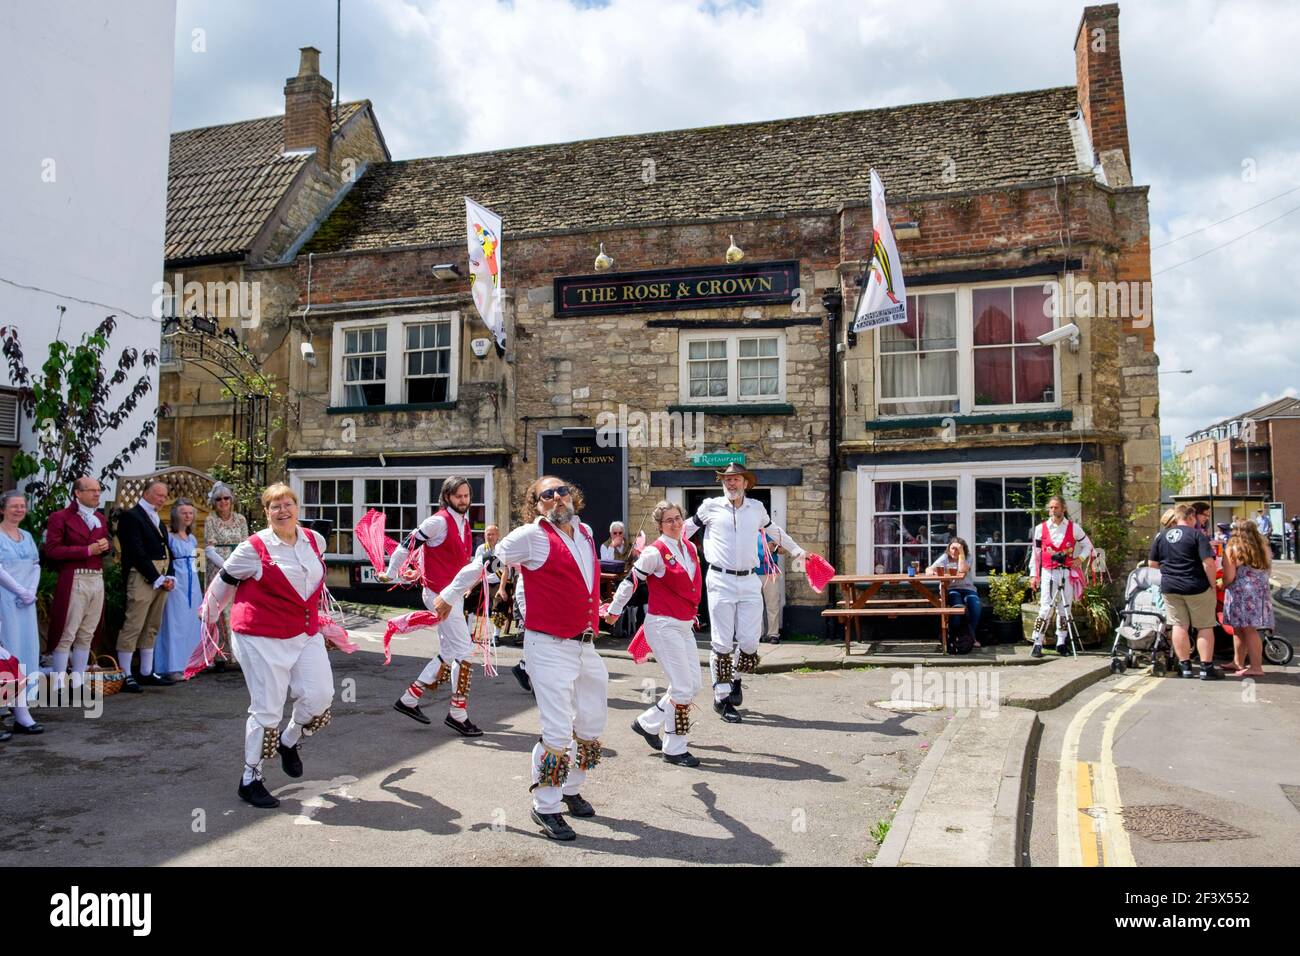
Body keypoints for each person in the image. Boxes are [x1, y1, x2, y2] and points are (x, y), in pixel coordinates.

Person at [441, 476, 606, 842]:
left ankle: (570, 787)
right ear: (536, 505)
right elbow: (487, 560)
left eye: (562, 491)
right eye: (546, 495)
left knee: (592, 724)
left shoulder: (587, 531)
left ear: (571, 495)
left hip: (585, 643)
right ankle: (545, 806)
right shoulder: (530, 536)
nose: (557, 498)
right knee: (558, 729)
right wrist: (448, 596)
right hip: (548, 645)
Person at [199, 483, 336, 809]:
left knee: (320, 697)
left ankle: (289, 742)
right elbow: (225, 581)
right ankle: (251, 778)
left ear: (297, 507)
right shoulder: (253, 546)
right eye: (275, 506)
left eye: (288, 504)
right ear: (266, 512)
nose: (283, 510)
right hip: (259, 636)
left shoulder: (314, 540)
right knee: (267, 708)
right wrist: (209, 619)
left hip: (304, 631)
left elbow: (314, 583)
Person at [681, 463, 805, 723]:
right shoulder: (709, 507)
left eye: (736, 479)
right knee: (722, 642)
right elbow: (685, 530)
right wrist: (661, 549)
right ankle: (721, 697)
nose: (731, 484)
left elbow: (774, 531)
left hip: (750, 580)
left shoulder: (757, 508)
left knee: (750, 641)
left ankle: (734, 676)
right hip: (719, 579)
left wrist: (796, 551)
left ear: (746, 483)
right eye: (727, 480)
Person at [380, 476, 482, 736]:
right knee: (465, 651)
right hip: (439, 595)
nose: (463, 500)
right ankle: (458, 714)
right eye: (458, 496)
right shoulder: (437, 522)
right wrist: (392, 573)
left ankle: (409, 699)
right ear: (447, 497)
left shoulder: (464, 523)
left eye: (466, 496)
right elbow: (406, 547)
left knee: (449, 651)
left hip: (452, 594)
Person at [606, 500, 703, 767]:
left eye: (678, 518)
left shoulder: (690, 547)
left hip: (683, 624)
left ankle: (647, 723)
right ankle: (674, 748)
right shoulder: (654, 552)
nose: (675, 523)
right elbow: (631, 582)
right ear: (659, 525)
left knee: (694, 685)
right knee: (682, 688)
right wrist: (614, 611)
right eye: (668, 520)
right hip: (662, 625)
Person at [42, 476, 110, 692]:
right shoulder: (60, 517)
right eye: (91, 490)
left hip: (96, 578)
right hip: (74, 577)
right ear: (77, 493)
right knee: (66, 632)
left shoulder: (100, 518)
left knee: (87, 632)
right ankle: (58, 684)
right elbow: (51, 550)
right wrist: (87, 550)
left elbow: (104, 550)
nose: (97, 494)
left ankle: (78, 681)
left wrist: (105, 546)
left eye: (98, 490)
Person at [1148, 503, 1222, 680]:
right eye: (1194, 518)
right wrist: (1212, 585)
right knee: (1204, 626)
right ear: (1190, 517)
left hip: (1170, 587)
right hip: (1196, 586)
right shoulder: (1197, 535)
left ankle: (1185, 667)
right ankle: (1206, 668)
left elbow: (1152, 564)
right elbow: (1209, 563)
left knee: (1179, 626)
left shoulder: (1162, 536)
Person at [115, 479, 176, 691]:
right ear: (147, 493)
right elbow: (135, 551)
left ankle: (146, 671)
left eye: (164, 495)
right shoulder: (131, 517)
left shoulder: (157, 518)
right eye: (159, 495)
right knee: (134, 623)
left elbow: (167, 549)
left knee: (152, 624)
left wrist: (170, 575)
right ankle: (124, 674)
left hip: (160, 576)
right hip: (142, 576)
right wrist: (155, 576)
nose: (162, 499)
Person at [0, 491, 44, 734]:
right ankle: (7, 705)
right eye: (13, 506)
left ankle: (22, 709)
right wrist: (19, 591)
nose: (18, 510)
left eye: (22, 506)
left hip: (26, 602)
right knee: (9, 650)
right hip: (5, 599)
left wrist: (30, 592)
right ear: (3, 509)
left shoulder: (27, 536)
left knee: (28, 649)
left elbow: (36, 565)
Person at [1028, 496, 1093, 658]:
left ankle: (1061, 642)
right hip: (1048, 572)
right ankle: (1038, 642)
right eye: (1050, 507)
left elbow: (1088, 546)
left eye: (1056, 507)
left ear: (1063, 508)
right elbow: (1035, 554)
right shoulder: (1040, 529)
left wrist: (1080, 559)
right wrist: (1033, 575)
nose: (1052, 510)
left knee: (1065, 609)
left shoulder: (1074, 528)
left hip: (1066, 572)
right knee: (1045, 608)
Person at [153, 499, 203, 679]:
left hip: (193, 584)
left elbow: (199, 563)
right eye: (184, 513)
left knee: (191, 623)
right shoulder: (169, 537)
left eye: (190, 513)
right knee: (174, 623)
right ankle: (172, 666)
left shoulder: (193, 538)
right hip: (176, 583)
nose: (188, 516)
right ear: (176, 515)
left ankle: (189, 664)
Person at [203, 481, 248, 667]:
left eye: (226, 498)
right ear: (214, 501)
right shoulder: (211, 520)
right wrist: (227, 567)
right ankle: (220, 654)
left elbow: (246, 544)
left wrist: (241, 567)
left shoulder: (241, 519)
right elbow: (209, 549)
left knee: (238, 609)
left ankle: (239, 655)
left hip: (239, 567)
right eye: (219, 499)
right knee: (220, 610)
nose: (223, 502)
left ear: (232, 499)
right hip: (219, 569)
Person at [1222, 522, 1272, 678]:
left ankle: (1256, 667)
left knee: (1248, 630)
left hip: (1241, 593)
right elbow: (1268, 571)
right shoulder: (1264, 548)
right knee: (1240, 628)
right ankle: (1237, 662)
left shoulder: (1232, 549)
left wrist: (1222, 584)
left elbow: (1229, 576)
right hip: (1259, 591)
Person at [927, 537, 980, 652]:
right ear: (948, 549)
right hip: (952, 588)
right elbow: (929, 569)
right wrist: (932, 571)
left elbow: (962, 569)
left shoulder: (968, 558)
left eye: (958, 549)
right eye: (952, 548)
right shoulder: (945, 558)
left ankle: (971, 636)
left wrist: (961, 554)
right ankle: (954, 636)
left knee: (975, 606)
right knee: (957, 607)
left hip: (967, 588)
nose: (954, 552)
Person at [756, 528, 784, 644]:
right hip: (753, 572)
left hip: (770, 571)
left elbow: (784, 549)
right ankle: (758, 634)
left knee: (772, 604)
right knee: (755, 606)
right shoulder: (747, 531)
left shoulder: (771, 531)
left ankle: (773, 634)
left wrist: (775, 548)